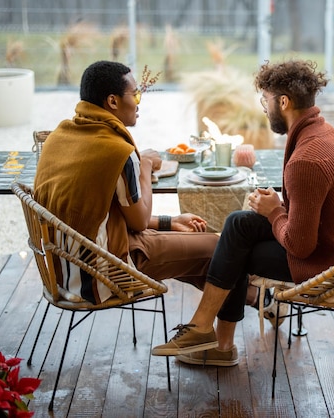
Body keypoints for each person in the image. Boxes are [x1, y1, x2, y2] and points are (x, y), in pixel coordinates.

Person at [151, 59, 334, 367]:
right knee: (238, 224)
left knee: (237, 250)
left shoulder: (306, 160)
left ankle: (215, 342)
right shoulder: (329, 136)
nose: (264, 108)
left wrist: (275, 213)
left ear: (283, 102)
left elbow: (301, 246)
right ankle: (206, 332)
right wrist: (278, 208)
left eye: (266, 100)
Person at [34, 60, 219, 304]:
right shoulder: (118, 152)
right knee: (219, 246)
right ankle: (238, 312)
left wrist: (170, 222)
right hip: (105, 272)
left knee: (204, 258)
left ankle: (255, 299)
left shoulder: (60, 137)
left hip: (62, 269)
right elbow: (140, 222)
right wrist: (144, 167)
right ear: (112, 101)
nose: (139, 102)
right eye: (136, 95)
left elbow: (102, 215)